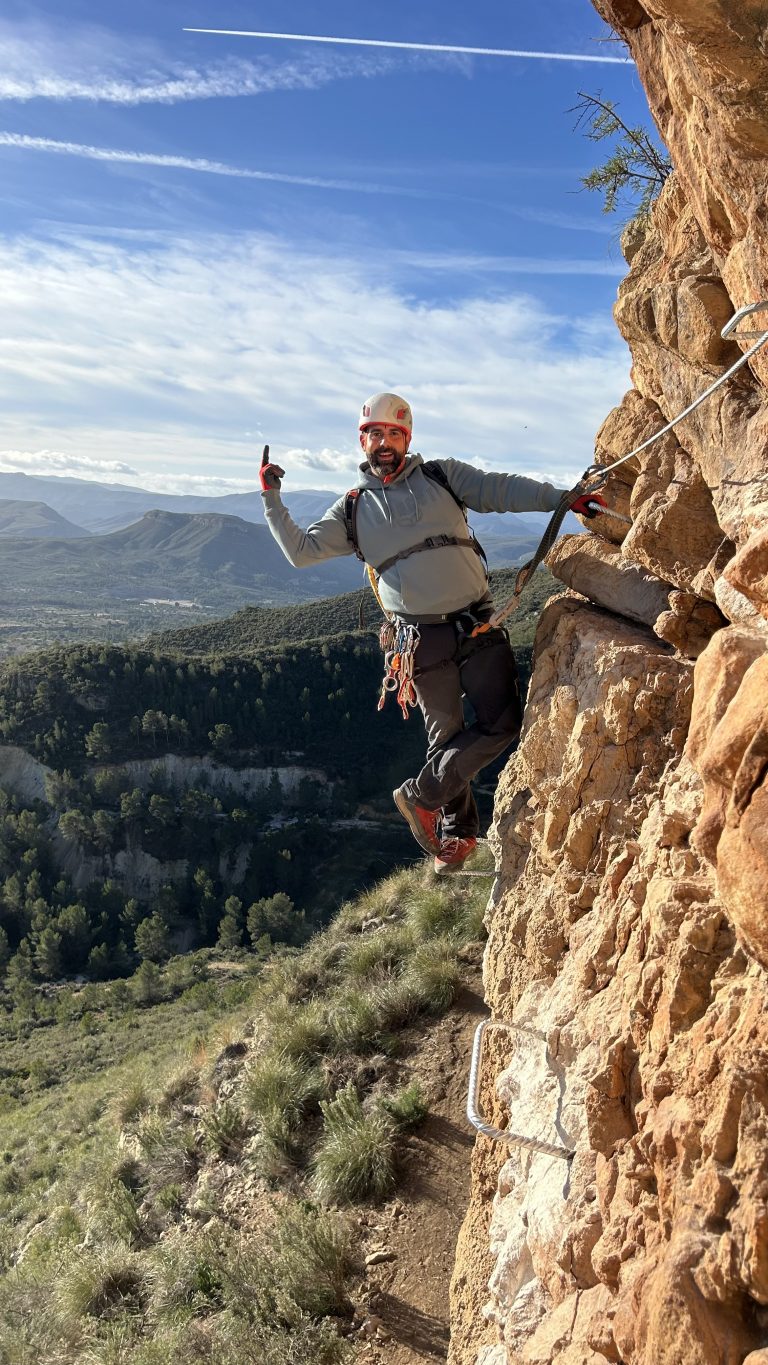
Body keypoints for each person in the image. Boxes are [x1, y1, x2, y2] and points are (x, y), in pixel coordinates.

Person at [260, 392, 602, 872]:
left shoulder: (442, 476)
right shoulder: (353, 509)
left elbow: (501, 489)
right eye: (374, 434)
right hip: (420, 640)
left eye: (393, 434)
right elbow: (301, 551)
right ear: (362, 442)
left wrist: (562, 499)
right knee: (445, 740)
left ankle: (420, 796)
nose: (384, 443)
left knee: (501, 724)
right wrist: (272, 500)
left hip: (477, 621)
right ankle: (456, 835)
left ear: (407, 438)